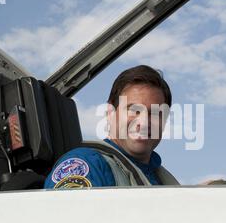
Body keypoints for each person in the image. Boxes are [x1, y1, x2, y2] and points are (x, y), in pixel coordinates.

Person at [44, 65, 179, 189]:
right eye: (134, 110)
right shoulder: (86, 165)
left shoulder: (161, 180)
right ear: (110, 113)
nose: (143, 122)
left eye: (155, 113)